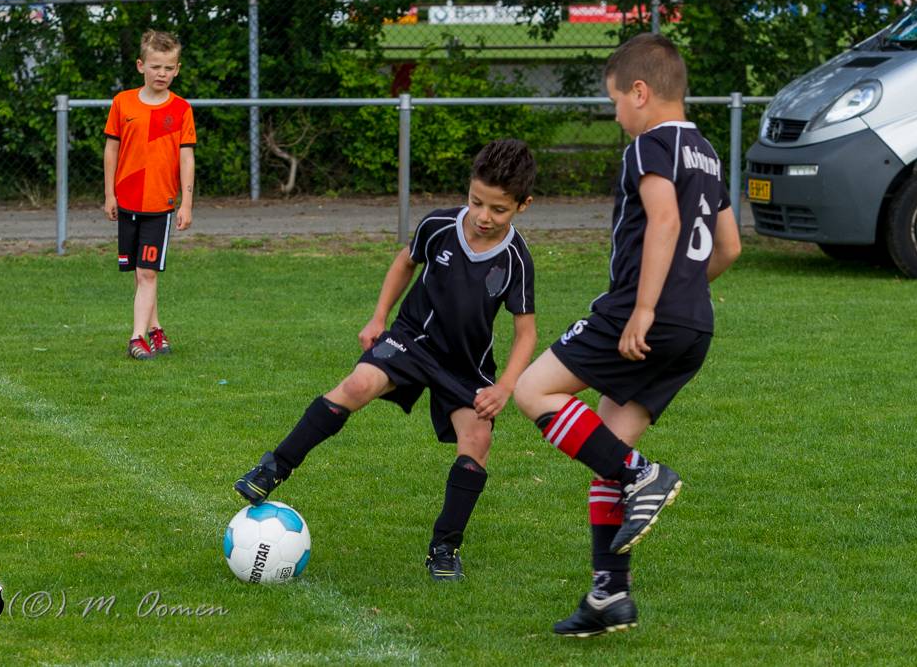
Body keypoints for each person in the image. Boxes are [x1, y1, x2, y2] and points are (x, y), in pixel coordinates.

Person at [512, 33, 742, 636]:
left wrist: (645, 308)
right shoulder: (707, 153)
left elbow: (664, 219)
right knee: (606, 448)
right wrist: (683, 291)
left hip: (640, 314)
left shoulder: (649, 146)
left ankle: (644, 474)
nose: (615, 115)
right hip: (694, 325)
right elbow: (729, 247)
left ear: (640, 92)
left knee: (533, 390)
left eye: (615, 101)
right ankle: (609, 594)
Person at [234, 139, 538, 581]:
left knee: (478, 440)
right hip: (412, 339)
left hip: (466, 366)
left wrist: (505, 385)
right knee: (357, 384)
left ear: (523, 206)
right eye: (476, 202)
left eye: (499, 209)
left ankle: (445, 548)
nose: (483, 216)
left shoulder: (516, 259)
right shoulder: (438, 225)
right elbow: (404, 263)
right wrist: (379, 317)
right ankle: (274, 467)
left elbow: (526, 332)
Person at [103, 30, 196, 360]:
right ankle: (155, 330)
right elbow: (111, 150)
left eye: (169, 68)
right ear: (141, 65)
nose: (162, 74)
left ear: (177, 70)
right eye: (156, 66)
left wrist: (186, 203)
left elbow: (186, 158)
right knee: (140, 271)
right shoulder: (122, 103)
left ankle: (137, 338)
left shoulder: (181, 109)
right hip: (128, 201)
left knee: (147, 272)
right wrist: (110, 194)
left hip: (160, 204)